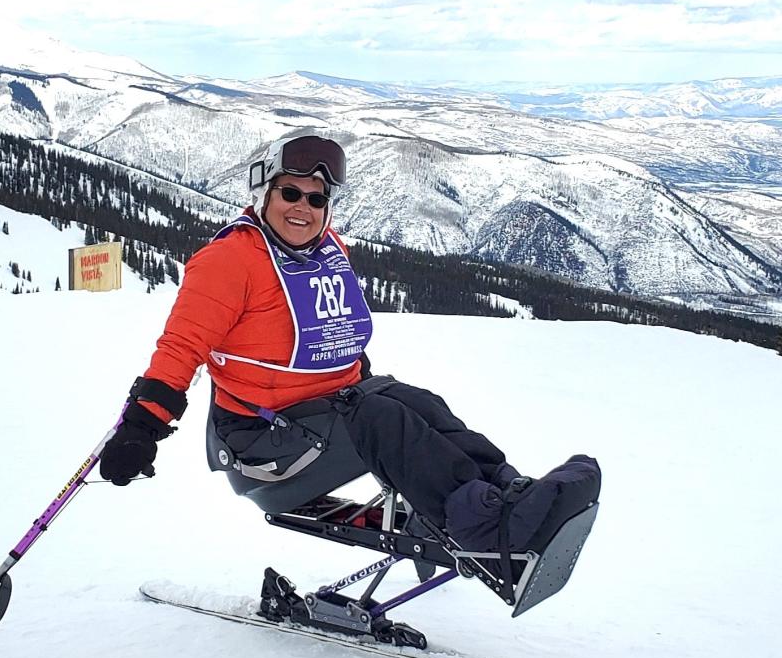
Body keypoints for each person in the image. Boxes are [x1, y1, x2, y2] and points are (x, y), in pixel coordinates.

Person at [98, 133, 600, 552]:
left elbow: (327, 330)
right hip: (262, 443)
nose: (304, 208)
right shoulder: (231, 260)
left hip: (321, 413)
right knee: (384, 419)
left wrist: (365, 386)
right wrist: (140, 428)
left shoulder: (326, 249)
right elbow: (181, 347)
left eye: (316, 199)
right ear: (263, 195)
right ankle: (484, 528)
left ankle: (508, 497)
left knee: (416, 402)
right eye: (290, 194)